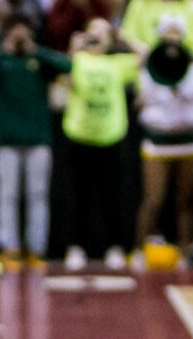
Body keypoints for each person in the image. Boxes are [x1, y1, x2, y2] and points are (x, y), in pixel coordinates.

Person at [0, 19, 73, 268]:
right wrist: (0, 51)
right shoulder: (0, 60)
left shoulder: (39, 60)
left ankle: (36, 249)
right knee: (7, 195)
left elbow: (67, 65)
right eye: (14, 32)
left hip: (37, 138)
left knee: (37, 195)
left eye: (23, 32)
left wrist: (36, 50)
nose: (19, 37)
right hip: (5, 139)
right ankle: (10, 247)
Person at [58, 18, 138, 268]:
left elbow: (143, 54)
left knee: (112, 195)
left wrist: (122, 38)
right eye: (93, 31)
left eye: (102, 33)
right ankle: (75, 247)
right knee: (79, 196)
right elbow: (64, 77)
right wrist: (75, 46)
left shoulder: (118, 63)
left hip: (111, 136)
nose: (97, 37)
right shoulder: (78, 60)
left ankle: (115, 247)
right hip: (79, 134)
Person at [131, 17, 193, 265]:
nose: (172, 39)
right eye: (167, 35)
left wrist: (178, 72)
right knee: (153, 199)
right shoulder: (149, 66)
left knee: (186, 199)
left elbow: (192, 94)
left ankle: (185, 251)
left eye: (176, 34)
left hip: (188, 138)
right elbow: (148, 98)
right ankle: (139, 250)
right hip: (158, 138)